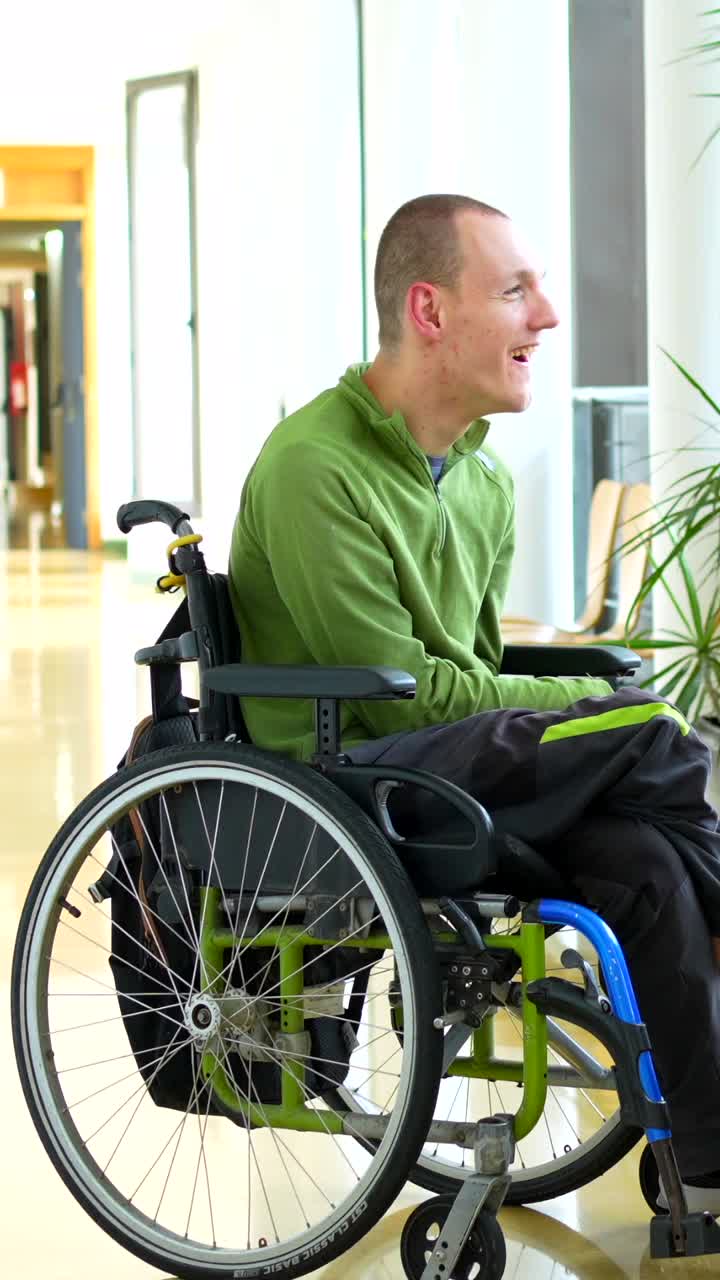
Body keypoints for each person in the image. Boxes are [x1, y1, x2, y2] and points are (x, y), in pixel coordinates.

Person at [229, 194, 720, 1209]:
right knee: (654, 729)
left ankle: (708, 1164)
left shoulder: (483, 480)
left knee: (646, 862)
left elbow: (475, 666)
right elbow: (403, 697)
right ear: (429, 310)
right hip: (353, 776)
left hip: (447, 758)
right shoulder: (315, 467)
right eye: (515, 289)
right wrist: (596, 690)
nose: (548, 315)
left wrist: (586, 690)